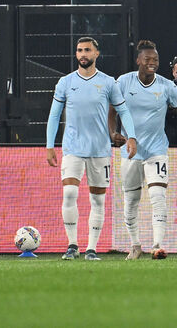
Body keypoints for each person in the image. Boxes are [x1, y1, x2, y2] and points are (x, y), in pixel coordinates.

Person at [46, 36, 137, 261]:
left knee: (97, 200)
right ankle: (72, 245)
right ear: (76, 54)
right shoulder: (65, 82)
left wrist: (131, 136)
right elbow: (54, 115)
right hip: (73, 149)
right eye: (79, 50)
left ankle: (91, 248)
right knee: (69, 193)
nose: (83, 54)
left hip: (99, 150)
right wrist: (49, 145)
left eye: (87, 50)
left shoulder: (108, 82)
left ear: (97, 54)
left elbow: (123, 111)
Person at [109, 40, 177, 260]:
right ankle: (135, 244)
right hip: (130, 152)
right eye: (148, 59)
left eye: (156, 60)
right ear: (138, 60)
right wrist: (113, 134)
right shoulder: (123, 82)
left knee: (158, 195)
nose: (152, 63)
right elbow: (112, 112)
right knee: (131, 200)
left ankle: (158, 245)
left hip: (156, 150)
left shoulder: (166, 86)